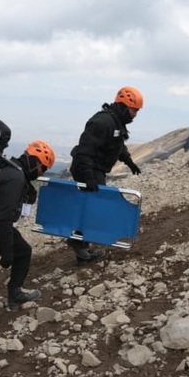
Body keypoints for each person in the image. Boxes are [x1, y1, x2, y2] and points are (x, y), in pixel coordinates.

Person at [0, 140, 56, 308]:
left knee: (23, 251)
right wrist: (7, 253)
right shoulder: (15, 178)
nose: (40, 172)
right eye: (42, 168)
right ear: (35, 161)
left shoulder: (10, 168)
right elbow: (4, 218)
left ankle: (15, 294)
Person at [67, 86, 145, 263]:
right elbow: (84, 152)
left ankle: (81, 249)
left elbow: (118, 146)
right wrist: (87, 178)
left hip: (95, 169)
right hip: (87, 168)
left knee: (92, 207)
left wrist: (129, 162)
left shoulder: (116, 122)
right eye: (134, 110)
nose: (135, 115)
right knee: (95, 207)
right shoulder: (102, 122)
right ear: (124, 106)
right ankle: (77, 243)